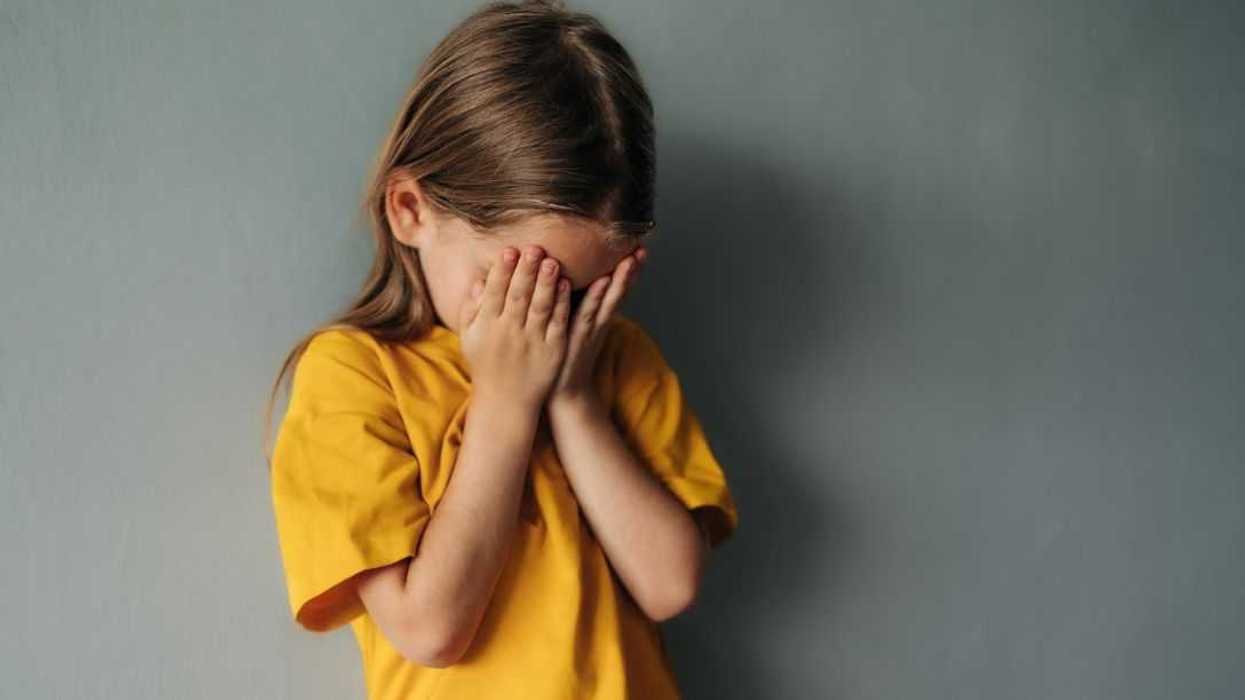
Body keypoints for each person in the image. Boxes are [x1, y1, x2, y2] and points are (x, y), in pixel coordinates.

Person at [261, 1, 739, 697]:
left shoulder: (614, 355)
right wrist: (508, 402)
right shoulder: (352, 376)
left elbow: (669, 585)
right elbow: (429, 630)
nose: (545, 318)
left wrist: (572, 399)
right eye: (514, 282)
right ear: (411, 211)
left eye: (575, 290)